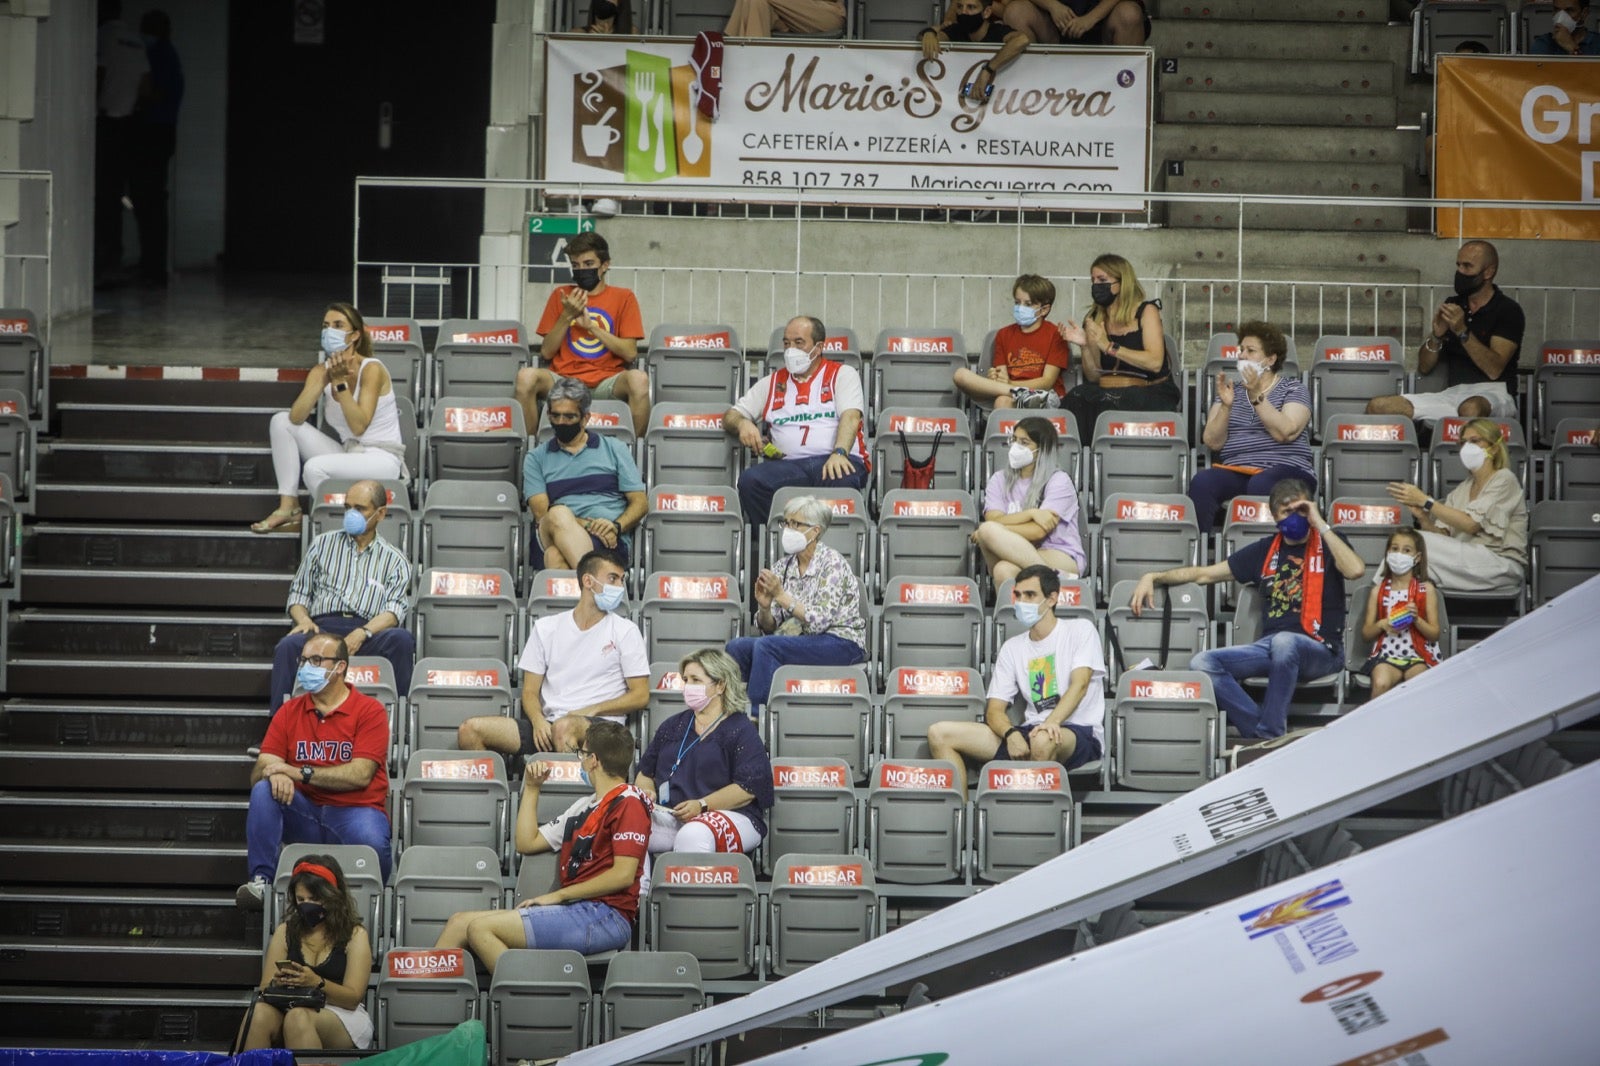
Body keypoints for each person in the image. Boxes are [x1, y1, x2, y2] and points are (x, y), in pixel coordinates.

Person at [1130, 479, 1367, 740]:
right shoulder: (1265, 550)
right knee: (1202, 663)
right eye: (1287, 512)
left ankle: (1269, 732)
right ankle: (1263, 734)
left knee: (1285, 642)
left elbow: (1355, 570)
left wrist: (1319, 523)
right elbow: (1203, 574)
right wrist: (1154, 576)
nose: (1295, 517)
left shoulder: (1330, 542)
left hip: (1321, 649)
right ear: (1275, 516)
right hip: (1272, 648)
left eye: (1300, 509)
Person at [434, 721, 650, 970]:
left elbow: (623, 875)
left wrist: (558, 896)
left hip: (607, 915)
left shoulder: (629, 801)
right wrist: (532, 788)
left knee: (480, 929)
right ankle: (423, 992)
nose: (580, 760)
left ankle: (526, 993)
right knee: (459, 923)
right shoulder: (584, 806)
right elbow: (527, 842)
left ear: (593, 760)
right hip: (577, 909)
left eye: (582, 754)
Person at [237, 634, 392, 908]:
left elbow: (360, 775)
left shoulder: (370, 711)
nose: (306, 667)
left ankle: (371, 904)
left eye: (317, 660)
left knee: (373, 843)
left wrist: (298, 773)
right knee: (264, 789)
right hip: (305, 812)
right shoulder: (289, 711)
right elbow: (262, 768)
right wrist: (275, 773)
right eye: (304, 660)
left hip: (355, 812)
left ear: (340, 667)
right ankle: (262, 883)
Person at [927, 565, 1105, 798]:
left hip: (1078, 731)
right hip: (1029, 731)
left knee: (1042, 740)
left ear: (1052, 599)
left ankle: (1032, 816)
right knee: (939, 733)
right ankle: (962, 814)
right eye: (1018, 595)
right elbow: (994, 711)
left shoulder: (1081, 630)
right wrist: (1011, 734)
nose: (1021, 602)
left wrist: (1051, 722)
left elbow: (1080, 685)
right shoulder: (1012, 647)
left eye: (1030, 595)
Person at [459, 549, 649, 760]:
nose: (620, 587)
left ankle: (574, 780)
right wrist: (537, 721)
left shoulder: (626, 630)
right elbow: (529, 692)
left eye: (622, 580)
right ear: (588, 581)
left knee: (563, 728)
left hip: (604, 728)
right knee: (470, 730)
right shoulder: (546, 628)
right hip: (550, 724)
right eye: (613, 579)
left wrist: (594, 709)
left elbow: (641, 694)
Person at [254, 303, 407, 534]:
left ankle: (341, 526)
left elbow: (359, 426)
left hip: (381, 458)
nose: (329, 331)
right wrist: (323, 380)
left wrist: (340, 384)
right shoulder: (321, 371)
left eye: (338, 325)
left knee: (314, 469)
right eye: (326, 326)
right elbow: (296, 417)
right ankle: (289, 507)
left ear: (354, 335)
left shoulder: (372, 369)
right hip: (349, 452)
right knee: (281, 421)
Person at [268, 479, 414, 710]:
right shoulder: (322, 544)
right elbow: (298, 594)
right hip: (322, 628)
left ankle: (399, 718)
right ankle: (278, 724)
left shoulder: (395, 560)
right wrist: (304, 620)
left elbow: (394, 611)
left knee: (401, 640)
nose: (351, 515)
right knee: (288, 646)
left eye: (359, 509)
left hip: (368, 632)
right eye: (347, 508)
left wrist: (363, 632)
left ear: (380, 513)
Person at [727, 495, 868, 715]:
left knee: (767, 647)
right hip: (801, 640)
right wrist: (764, 607)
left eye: (796, 524)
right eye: (786, 523)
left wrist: (781, 595)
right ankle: (732, 713)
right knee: (736, 648)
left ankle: (756, 718)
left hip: (841, 641)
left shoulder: (833, 563)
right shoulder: (783, 567)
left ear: (815, 531)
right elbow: (769, 628)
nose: (788, 529)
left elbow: (819, 622)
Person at [724, 316, 869, 524]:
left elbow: (851, 417)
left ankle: (827, 544)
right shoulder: (771, 383)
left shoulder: (842, 374)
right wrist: (742, 423)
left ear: (818, 347)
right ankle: (777, 538)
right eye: (786, 343)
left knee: (841, 477)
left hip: (835, 459)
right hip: (790, 465)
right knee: (751, 481)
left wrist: (839, 452)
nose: (791, 350)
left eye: (799, 343)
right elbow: (730, 416)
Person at [1366, 241, 1525, 425]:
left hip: (1494, 394)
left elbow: (1494, 370)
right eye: (1458, 265)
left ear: (1488, 272)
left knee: (1470, 409)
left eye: (1467, 266)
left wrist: (1462, 331)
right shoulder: (1454, 304)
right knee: (1378, 406)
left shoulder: (1508, 310)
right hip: (1453, 393)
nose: (1460, 272)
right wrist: (1436, 336)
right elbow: (1424, 367)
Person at [636, 648, 773, 855]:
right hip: (674, 815)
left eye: (696, 680)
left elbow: (747, 789)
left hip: (733, 815)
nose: (688, 686)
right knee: (629, 826)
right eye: (686, 680)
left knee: (693, 834)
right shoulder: (672, 726)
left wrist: (702, 805)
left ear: (720, 685)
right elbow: (645, 773)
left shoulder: (741, 729)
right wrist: (647, 791)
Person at [1188, 321, 1316, 533]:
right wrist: (1226, 407)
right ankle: (1199, 547)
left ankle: (1265, 547)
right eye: (1241, 350)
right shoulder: (1231, 391)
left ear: (1270, 359)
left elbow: (1285, 432)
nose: (1242, 355)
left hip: (1287, 470)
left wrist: (1256, 396)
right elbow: (1212, 441)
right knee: (1203, 482)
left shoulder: (1293, 389)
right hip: (1240, 470)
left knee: (1261, 483)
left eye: (1250, 351)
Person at [517, 232, 648, 438]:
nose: (581, 270)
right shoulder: (561, 296)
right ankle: (532, 448)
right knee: (525, 377)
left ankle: (632, 450)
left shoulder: (624, 297)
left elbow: (630, 353)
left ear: (605, 265)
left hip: (607, 381)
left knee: (639, 379)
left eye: (588, 264)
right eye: (575, 265)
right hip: (563, 379)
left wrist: (592, 328)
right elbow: (547, 352)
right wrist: (566, 315)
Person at [238, 855, 374, 1052]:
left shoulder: (355, 934)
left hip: (341, 1012)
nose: (306, 905)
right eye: (301, 899)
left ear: (332, 897)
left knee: (298, 1017)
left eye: (314, 899)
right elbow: (264, 988)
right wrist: (279, 983)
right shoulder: (285, 931)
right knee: (258, 1014)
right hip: (291, 1005)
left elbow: (353, 998)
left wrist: (316, 982)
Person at [1384, 418, 1528, 593]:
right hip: (1466, 563)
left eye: (1474, 441)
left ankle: (1376, 597)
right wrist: (1423, 517)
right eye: (1463, 442)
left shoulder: (1504, 479)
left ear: (1494, 448)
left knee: (1414, 543)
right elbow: (1443, 537)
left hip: (1499, 564)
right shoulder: (1462, 489)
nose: (1467, 447)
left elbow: (1471, 524)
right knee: (1406, 550)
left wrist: (1426, 501)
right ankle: (1384, 601)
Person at [524, 377, 646, 570]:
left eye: (569, 417)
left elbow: (640, 502)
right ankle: (599, 582)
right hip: (553, 534)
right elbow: (542, 514)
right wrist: (588, 526)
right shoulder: (535, 458)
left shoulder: (615, 448)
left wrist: (616, 526)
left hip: (609, 540)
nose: (561, 422)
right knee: (557, 513)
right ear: (548, 415)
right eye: (555, 416)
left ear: (585, 418)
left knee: (555, 557)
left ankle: (589, 584)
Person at [1057, 254, 1177, 441]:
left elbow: (1154, 363)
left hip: (1152, 389)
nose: (1096, 285)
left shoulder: (1147, 311)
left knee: (1110, 404)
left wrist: (1110, 347)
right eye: (1093, 280)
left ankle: (1105, 455)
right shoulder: (1095, 317)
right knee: (1076, 397)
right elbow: (1094, 376)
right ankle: (1081, 456)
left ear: (1122, 282)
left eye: (1102, 280)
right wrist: (1085, 346)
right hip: (1111, 389)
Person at [975, 416, 1086, 583]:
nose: (1016, 446)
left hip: (1058, 552)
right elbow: (993, 518)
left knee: (986, 531)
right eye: (1014, 440)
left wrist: (997, 532)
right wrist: (1031, 514)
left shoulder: (1059, 480)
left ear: (1042, 449)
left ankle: (1049, 576)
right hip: (1011, 553)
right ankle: (1051, 577)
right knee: (1002, 569)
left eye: (1024, 442)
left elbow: (1038, 531)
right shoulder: (998, 479)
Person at [952, 274, 1073, 410]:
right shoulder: (1003, 334)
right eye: (1017, 302)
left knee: (1002, 402)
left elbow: (1047, 382)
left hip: (1044, 395)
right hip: (1010, 392)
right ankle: (1013, 392)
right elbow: (1002, 375)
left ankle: (1012, 392)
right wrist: (996, 378)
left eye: (1028, 304)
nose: (1020, 308)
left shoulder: (1055, 334)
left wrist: (1008, 383)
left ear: (1044, 309)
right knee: (960, 375)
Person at [96, 0, 150, 281]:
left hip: (104, 122)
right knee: (118, 195)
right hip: (129, 126)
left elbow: (98, 75)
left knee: (102, 195)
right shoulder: (136, 41)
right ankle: (113, 261)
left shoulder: (102, 36)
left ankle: (101, 263)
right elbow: (145, 86)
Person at [130, 9, 183, 285]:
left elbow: (154, 92)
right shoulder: (167, 54)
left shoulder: (160, 55)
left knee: (148, 200)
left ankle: (152, 267)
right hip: (161, 132)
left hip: (153, 132)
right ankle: (152, 265)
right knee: (150, 200)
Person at [1359, 529, 1443, 699]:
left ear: (1417, 558)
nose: (1399, 554)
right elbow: (1366, 634)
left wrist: (1417, 619)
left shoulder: (1426, 590)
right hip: (1387, 654)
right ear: (1387, 553)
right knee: (1381, 683)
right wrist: (1381, 624)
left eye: (1406, 550)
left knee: (1419, 683)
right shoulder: (1378, 591)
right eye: (1395, 549)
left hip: (1418, 656)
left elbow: (1435, 634)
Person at [919, 1, 1035, 100]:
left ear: (986, 12)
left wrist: (988, 70)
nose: (963, 12)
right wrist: (929, 33)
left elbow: (1022, 39)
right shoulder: (956, 30)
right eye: (959, 7)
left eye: (971, 7)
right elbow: (928, 36)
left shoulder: (997, 31)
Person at [996, 0, 1150, 46]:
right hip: (1055, 28)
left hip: (1103, 27)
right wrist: (1052, 5)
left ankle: (1126, 92)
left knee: (1129, 13)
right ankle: (1028, 91)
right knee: (1015, 12)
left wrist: (1091, 18)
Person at [724, 0, 846, 37]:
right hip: (784, 14)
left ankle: (728, 47)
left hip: (825, 12)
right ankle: (755, 67)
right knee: (755, 3)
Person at [1529, 0, 1599, 55]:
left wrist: (1572, 49)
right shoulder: (1543, 44)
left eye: (1569, 10)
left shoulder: (1597, 44)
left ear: (1584, 13)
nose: (1560, 18)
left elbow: (1589, 70)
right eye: (1556, 9)